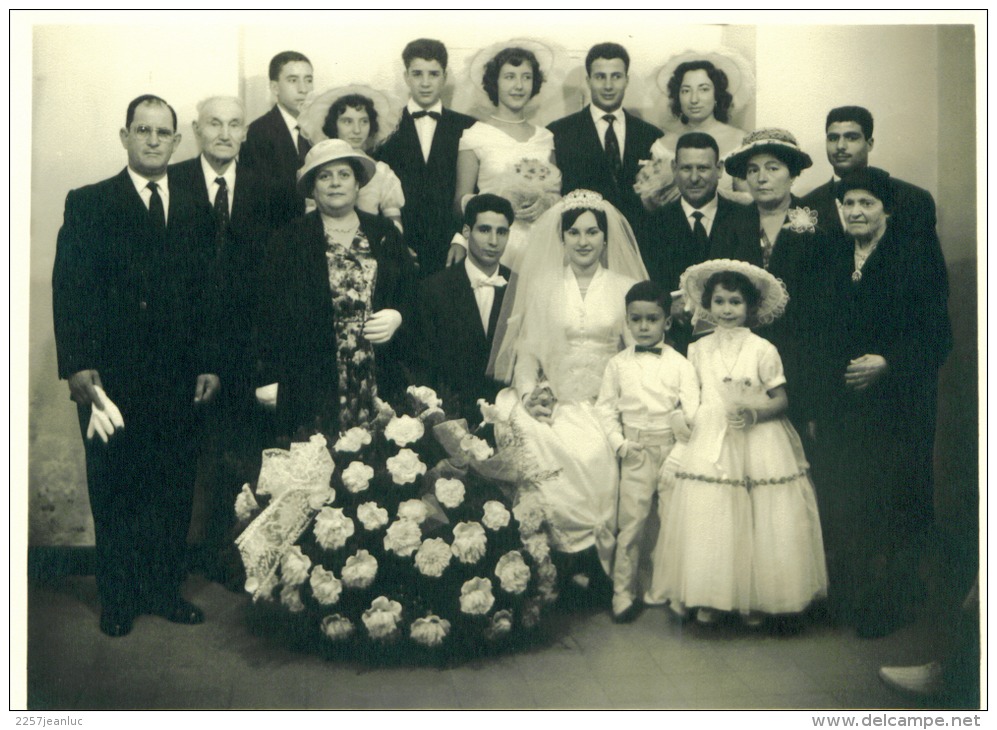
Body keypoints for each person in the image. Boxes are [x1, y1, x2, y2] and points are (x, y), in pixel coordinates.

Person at [52, 94, 220, 637]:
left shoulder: (197, 205)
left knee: (172, 487)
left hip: (177, 376)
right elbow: (69, 288)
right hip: (111, 379)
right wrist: (78, 365)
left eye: (162, 132)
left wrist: (211, 362)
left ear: (177, 141)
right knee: (116, 485)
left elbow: (212, 292)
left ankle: (164, 590)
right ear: (124, 136)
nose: (152, 140)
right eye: (141, 130)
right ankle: (119, 598)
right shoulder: (89, 201)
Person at [806, 167, 952, 638]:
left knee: (894, 500)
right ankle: (851, 599)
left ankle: (895, 600)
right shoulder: (832, 256)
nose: (855, 212)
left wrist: (888, 362)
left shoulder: (915, 256)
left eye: (866, 204)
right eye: (848, 204)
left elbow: (938, 335)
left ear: (887, 209)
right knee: (849, 500)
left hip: (898, 406)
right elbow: (822, 334)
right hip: (844, 408)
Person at [489, 189, 648, 604]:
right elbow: (527, 354)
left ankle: (598, 566)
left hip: (605, 401)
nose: (583, 241)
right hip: (555, 399)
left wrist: (624, 402)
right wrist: (530, 395)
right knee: (533, 435)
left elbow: (634, 353)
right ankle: (558, 563)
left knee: (597, 453)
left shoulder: (625, 287)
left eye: (592, 232)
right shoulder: (543, 287)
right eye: (574, 233)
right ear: (561, 239)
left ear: (605, 238)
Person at [657, 260, 827, 627]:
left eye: (735, 302)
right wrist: (681, 417)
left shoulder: (763, 348)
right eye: (719, 302)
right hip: (711, 433)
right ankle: (712, 594)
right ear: (708, 305)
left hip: (758, 436)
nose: (727, 310)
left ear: (749, 307)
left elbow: (781, 399)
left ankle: (756, 596)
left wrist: (754, 413)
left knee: (759, 515)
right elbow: (692, 394)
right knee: (712, 514)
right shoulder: (698, 348)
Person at [168, 95, 276, 587]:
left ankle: (231, 560)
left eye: (235, 124)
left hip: (246, 349)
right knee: (179, 460)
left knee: (240, 457)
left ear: (244, 134)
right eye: (215, 123)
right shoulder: (171, 183)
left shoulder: (269, 190)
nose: (225, 133)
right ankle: (169, 568)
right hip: (181, 349)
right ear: (195, 130)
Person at [256, 139, 418, 437]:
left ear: (358, 184)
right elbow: (269, 314)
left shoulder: (384, 234)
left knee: (375, 466)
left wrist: (398, 316)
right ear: (312, 188)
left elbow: (411, 293)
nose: (335, 183)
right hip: (311, 376)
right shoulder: (288, 240)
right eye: (324, 176)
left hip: (377, 372)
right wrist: (270, 376)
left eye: (344, 175)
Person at [594, 280, 699, 622]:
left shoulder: (681, 364)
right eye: (635, 319)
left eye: (651, 319)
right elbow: (605, 409)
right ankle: (623, 592)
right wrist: (619, 443)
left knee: (671, 521)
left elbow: (694, 408)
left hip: (672, 448)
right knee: (633, 523)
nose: (643, 327)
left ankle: (670, 589)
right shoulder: (617, 365)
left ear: (667, 322)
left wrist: (681, 442)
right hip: (636, 449)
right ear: (626, 320)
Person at [721, 128, 823, 431]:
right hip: (742, 357)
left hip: (799, 360)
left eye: (772, 168)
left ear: (792, 174)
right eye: (753, 170)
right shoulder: (732, 225)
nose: (761, 178)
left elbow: (827, 310)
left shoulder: (818, 225)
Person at [451, 45, 560, 270]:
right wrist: (499, 203)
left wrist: (544, 204)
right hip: (495, 245)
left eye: (526, 77)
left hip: (540, 243)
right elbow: (459, 202)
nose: (518, 86)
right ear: (495, 82)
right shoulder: (475, 135)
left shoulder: (545, 138)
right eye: (509, 77)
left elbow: (555, 195)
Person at [547, 42, 663, 252]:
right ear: (588, 80)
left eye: (616, 76)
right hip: (581, 248)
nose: (608, 85)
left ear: (626, 80)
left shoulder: (651, 135)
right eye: (600, 77)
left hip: (639, 247)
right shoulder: (559, 133)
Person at [376, 39, 477, 277]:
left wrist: (461, 240)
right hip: (399, 248)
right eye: (417, 74)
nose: (425, 83)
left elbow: (474, 193)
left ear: (445, 76)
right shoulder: (385, 126)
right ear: (406, 77)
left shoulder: (468, 127)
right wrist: (391, 242)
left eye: (433, 74)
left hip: (451, 249)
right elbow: (375, 192)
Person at [417, 193, 513, 424]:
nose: (493, 241)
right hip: (450, 416)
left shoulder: (520, 287)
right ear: (467, 232)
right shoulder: (433, 289)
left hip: (507, 417)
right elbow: (424, 365)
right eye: (484, 230)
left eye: (501, 232)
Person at [800, 106, 943, 248]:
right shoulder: (806, 206)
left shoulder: (913, 199)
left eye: (851, 137)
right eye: (833, 138)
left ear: (870, 144)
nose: (840, 146)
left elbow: (930, 267)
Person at [296, 87, 405, 231]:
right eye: (347, 121)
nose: (357, 130)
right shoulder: (317, 168)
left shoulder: (382, 172)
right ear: (333, 124)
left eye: (364, 121)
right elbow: (310, 221)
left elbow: (394, 224)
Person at [650, 57, 752, 204]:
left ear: (716, 95)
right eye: (686, 91)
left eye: (704, 89)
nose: (694, 99)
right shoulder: (662, 146)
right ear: (678, 96)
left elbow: (750, 200)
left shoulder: (740, 142)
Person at [240, 51, 314, 225]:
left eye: (308, 80)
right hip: (280, 232)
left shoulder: (321, 128)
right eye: (293, 80)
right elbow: (261, 198)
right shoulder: (259, 132)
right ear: (275, 88)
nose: (304, 89)